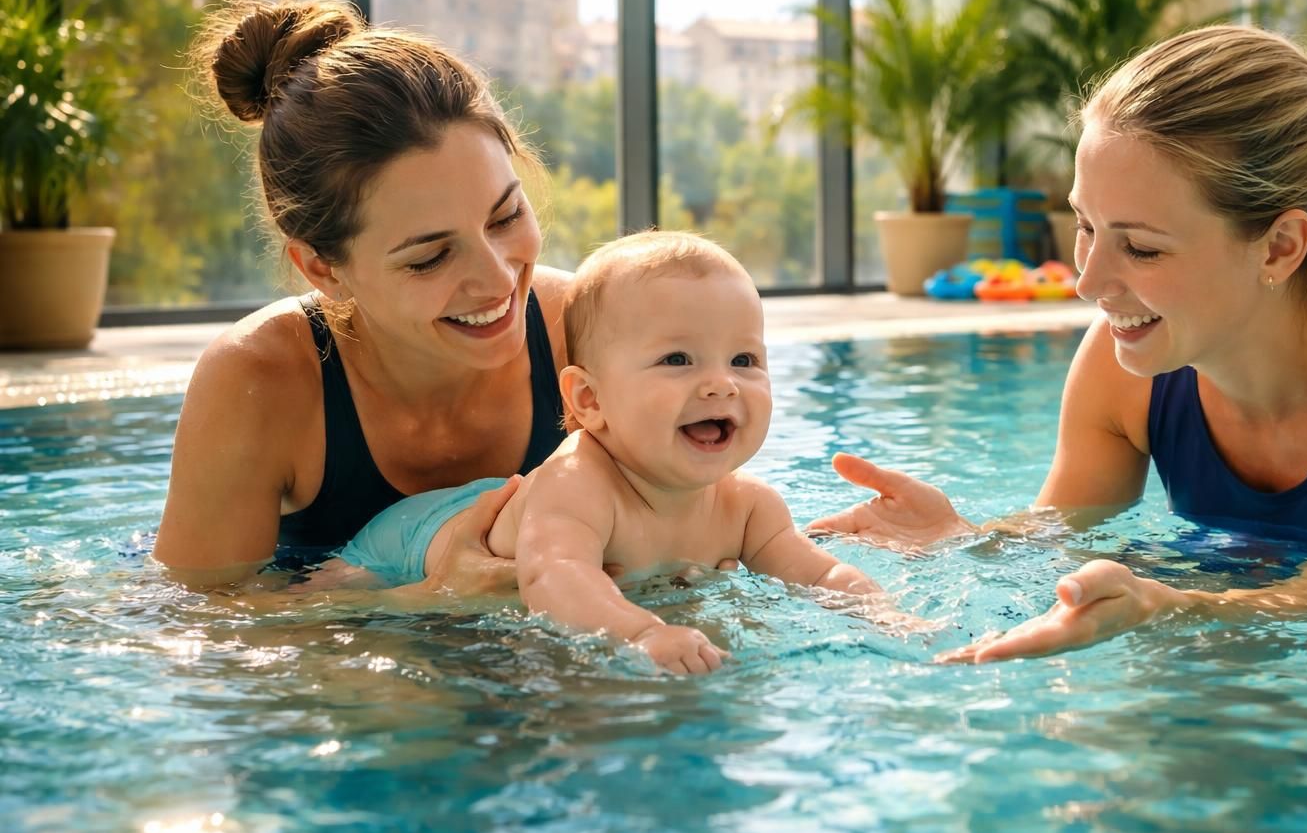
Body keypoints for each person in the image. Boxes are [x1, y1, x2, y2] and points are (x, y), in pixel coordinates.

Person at [808, 25, 1307, 663]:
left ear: (1280, 246)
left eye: (1142, 249)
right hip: (1228, 613)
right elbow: (1060, 530)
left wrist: (1166, 606)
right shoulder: (1126, 367)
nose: (1089, 282)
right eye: (1085, 226)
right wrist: (966, 539)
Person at [319, 232, 921, 674]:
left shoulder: (749, 506)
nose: (721, 384)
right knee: (327, 603)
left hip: (500, 514)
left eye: (744, 360)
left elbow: (820, 573)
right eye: (677, 360)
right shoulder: (578, 484)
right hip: (410, 539)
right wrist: (641, 634)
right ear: (589, 398)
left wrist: (885, 613)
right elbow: (555, 575)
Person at [153, 0, 563, 584]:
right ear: (323, 269)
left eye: (505, 218)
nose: (500, 279)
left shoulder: (586, 327)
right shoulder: (261, 380)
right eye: (430, 257)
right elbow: (201, 623)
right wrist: (426, 598)